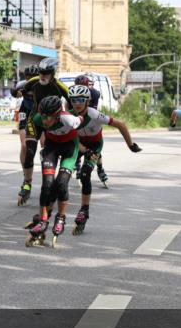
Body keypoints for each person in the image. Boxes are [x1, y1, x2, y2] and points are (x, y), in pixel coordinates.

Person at [67, 84, 141, 234]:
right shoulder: (69, 117)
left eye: (81, 100)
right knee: (64, 172)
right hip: (79, 144)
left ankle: (84, 210)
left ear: (87, 101)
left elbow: (121, 125)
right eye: (74, 100)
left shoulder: (94, 114)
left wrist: (130, 145)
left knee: (85, 174)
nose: (77, 104)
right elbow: (70, 138)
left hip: (95, 144)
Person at [24, 95, 81, 247]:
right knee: (47, 184)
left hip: (70, 147)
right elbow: (31, 130)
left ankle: (61, 217)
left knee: (61, 183)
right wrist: (32, 143)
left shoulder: (69, 119)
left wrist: (88, 151)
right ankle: (43, 220)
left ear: (57, 115)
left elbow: (83, 122)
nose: (45, 121)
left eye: (49, 117)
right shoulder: (37, 119)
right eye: (43, 116)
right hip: (51, 147)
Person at [16, 58, 69, 206]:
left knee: (48, 154)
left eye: (46, 73)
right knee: (29, 151)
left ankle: (50, 183)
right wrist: (18, 93)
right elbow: (21, 91)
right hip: (35, 119)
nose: (42, 76)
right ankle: (27, 184)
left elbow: (72, 99)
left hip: (52, 123)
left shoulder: (59, 86)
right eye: (41, 72)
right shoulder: (33, 81)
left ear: (53, 73)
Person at [75, 73, 108, 186]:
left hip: (92, 122)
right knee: (76, 143)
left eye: (83, 86)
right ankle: (77, 164)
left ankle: (100, 168)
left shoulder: (94, 93)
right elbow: (67, 106)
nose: (79, 89)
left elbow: (93, 111)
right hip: (78, 122)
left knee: (95, 147)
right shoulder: (72, 92)